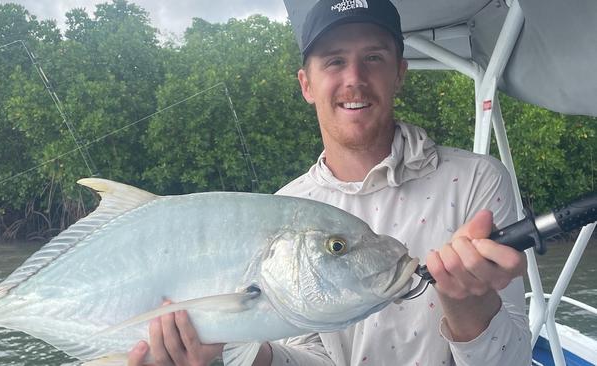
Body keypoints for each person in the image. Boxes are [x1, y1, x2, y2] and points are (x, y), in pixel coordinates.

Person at [128, 0, 532, 365]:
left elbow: (515, 359)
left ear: (399, 74)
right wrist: (246, 355)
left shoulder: (476, 181)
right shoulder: (287, 205)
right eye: (334, 61)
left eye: (373, 57)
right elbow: (313, 355)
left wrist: (472, 311)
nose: (354, 78)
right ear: (307, 84)